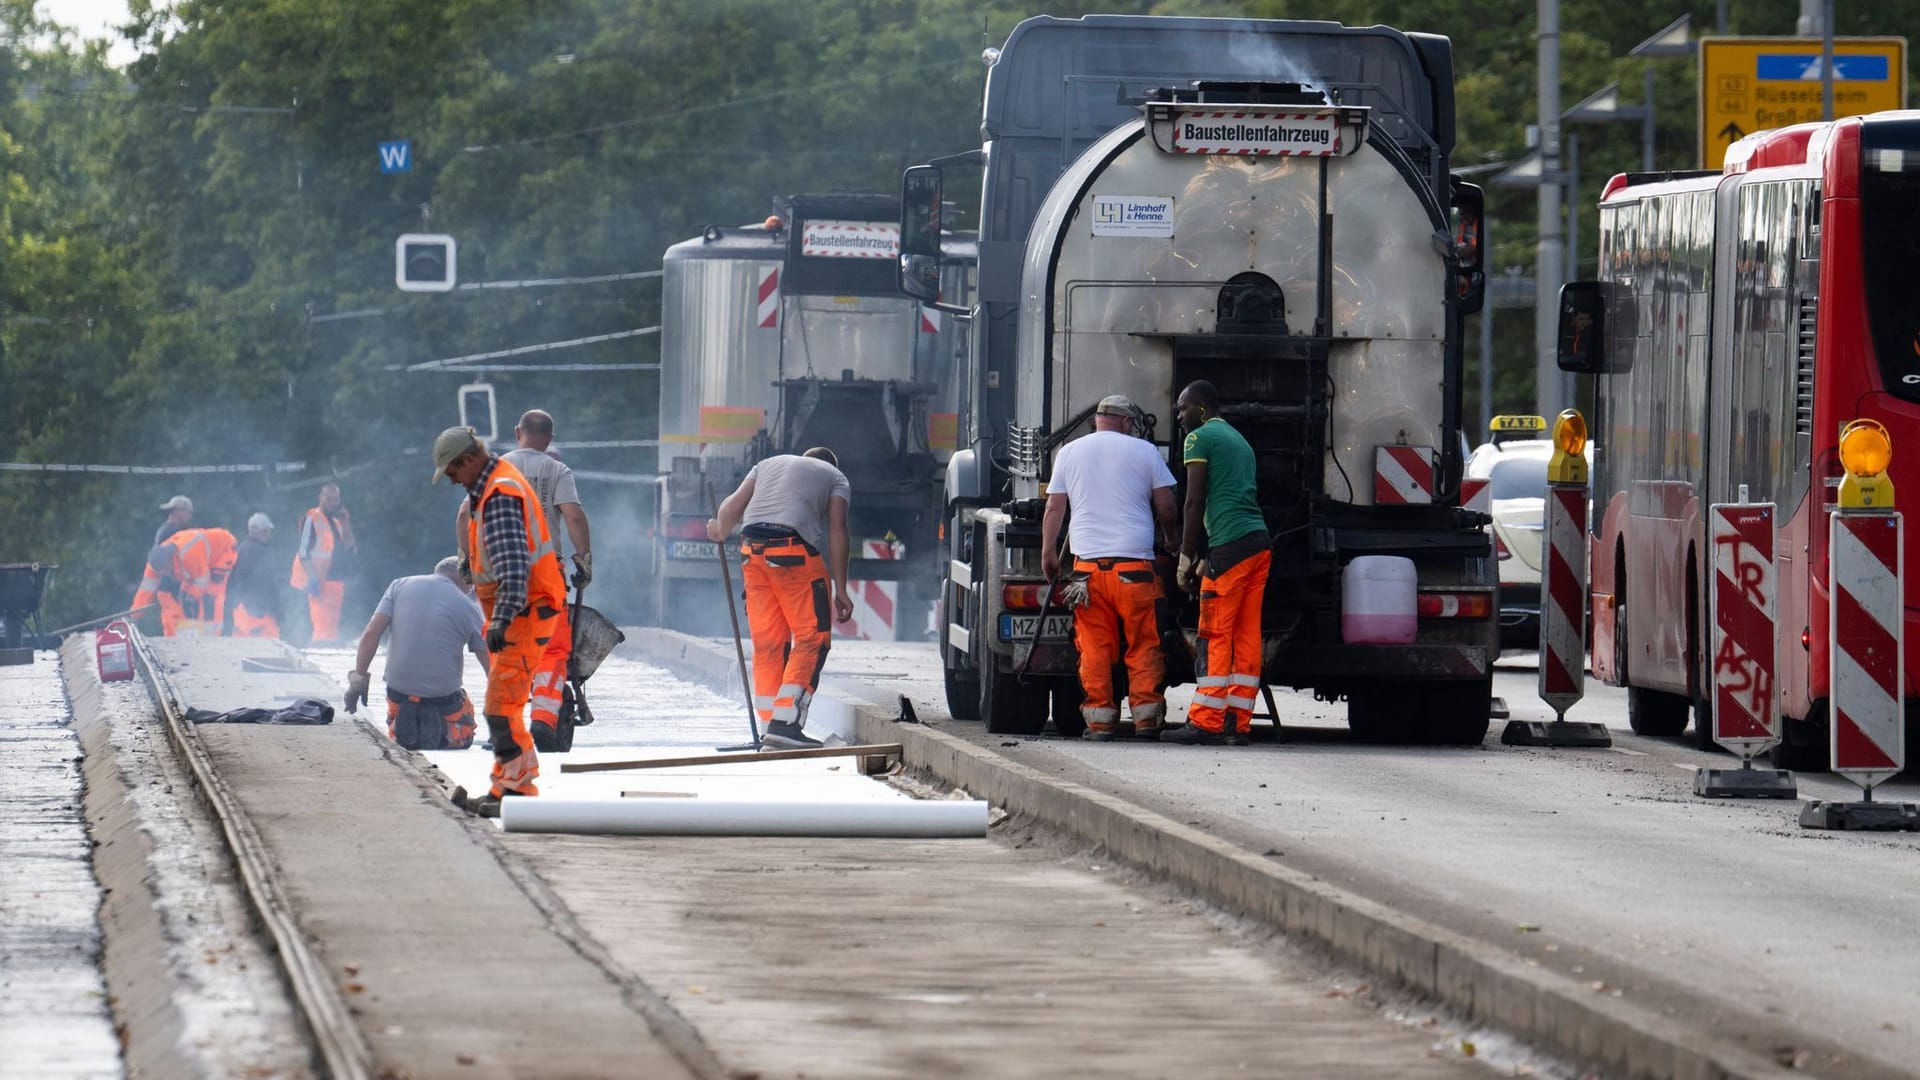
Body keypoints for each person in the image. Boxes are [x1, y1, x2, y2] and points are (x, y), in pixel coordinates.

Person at [433, 426, 567, 808]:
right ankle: (511, 786)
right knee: (503, 705)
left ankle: (515, 790)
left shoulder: (499, 495)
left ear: (469, 460)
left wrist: (502, 620)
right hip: (523, 608)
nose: (453, 481)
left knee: (499, 706)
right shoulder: (491, 488)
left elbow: (514, 567)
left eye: (453, 472)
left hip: (525, 609)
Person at [1040, 395, 1179, 740]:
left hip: (1087, 575)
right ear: (1128, 422)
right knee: (1144, 643)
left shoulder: (1069, 453)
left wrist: (1049, 552)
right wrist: (1173, 539)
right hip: (1135, 571)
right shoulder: (1145, 452)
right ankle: (1147, 719)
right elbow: (1166, 505)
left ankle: (1100, 722)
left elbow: (1055, 509)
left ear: (1098, 420)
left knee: (1095, 647)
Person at [706, 447, 854, 749]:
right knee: (812, 638)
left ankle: (768, 726)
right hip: (793, 552)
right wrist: (841, 588)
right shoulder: (836, 477)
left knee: (769, 644)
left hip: (752, 552)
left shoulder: (766, 464)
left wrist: (720, 530)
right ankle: (785, 725)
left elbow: (731, 507)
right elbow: (838, 528)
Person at [1164, 381, 1271, 746]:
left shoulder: (1199, 439)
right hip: (1257, 544)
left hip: (1231, 548)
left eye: (1183, 408)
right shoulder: (1239, 441)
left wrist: (1185, 555)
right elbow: (1228, 499)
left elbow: (1194, 501)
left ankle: (1206, 721)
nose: (1179, 416)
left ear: (1203, 409)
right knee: (1245, 635)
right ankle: (1236, 723)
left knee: (1214, 633)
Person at [499, 410, 593, 751]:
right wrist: (583, 558)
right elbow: (573, 515)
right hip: (543, 570)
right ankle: (543, 717)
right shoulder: (556, 470)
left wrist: (467, 560)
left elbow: (466, 513)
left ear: (517, 432)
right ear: (548, 439)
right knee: (552, 649)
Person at [344, 556, 489, 752]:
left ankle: (400, 718)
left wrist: (358, 680)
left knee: (400, 709)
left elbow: (371, 633)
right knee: (464, 731)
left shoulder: (399, 586)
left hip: (399, 690)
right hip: (443, 694)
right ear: (465, 579)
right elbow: (488, 658)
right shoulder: (469, 607)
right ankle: (444, 727)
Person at [130, 527, 237, 635]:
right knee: (186, 596)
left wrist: (192, 597)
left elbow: (202, 580)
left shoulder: (189, 554)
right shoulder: (154, 566)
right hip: (200, 561)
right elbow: (146, 590)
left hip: (224, 549)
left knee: (211, 598)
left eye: (165, 569)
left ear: (170, 559)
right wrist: (134, 614)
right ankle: (193, 634)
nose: (164, 573)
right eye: (160, 571)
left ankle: (212, 635)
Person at [289, 481, 357, 644]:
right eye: (328, 499)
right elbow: (303, 551)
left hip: (333, 582)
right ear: (320, 497)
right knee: (321, 629)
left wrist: (346, 522)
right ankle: (317, 654)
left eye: (335, 499)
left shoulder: (337, 522)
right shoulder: (311, 518)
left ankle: (325, 654)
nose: (332, 503)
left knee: (330, 629)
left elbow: (349, 547)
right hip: (316, 582)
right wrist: (312, 577)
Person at [227, 513, 283, 638]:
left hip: (247, 611)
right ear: (258, 531)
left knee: (243, 648)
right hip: (258, 613)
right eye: (265, 531)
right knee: (267, 650)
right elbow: (268, 583)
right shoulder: (257, 551)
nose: (268, 534)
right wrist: (273, 609)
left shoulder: (244, 549)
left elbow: (237, 581)